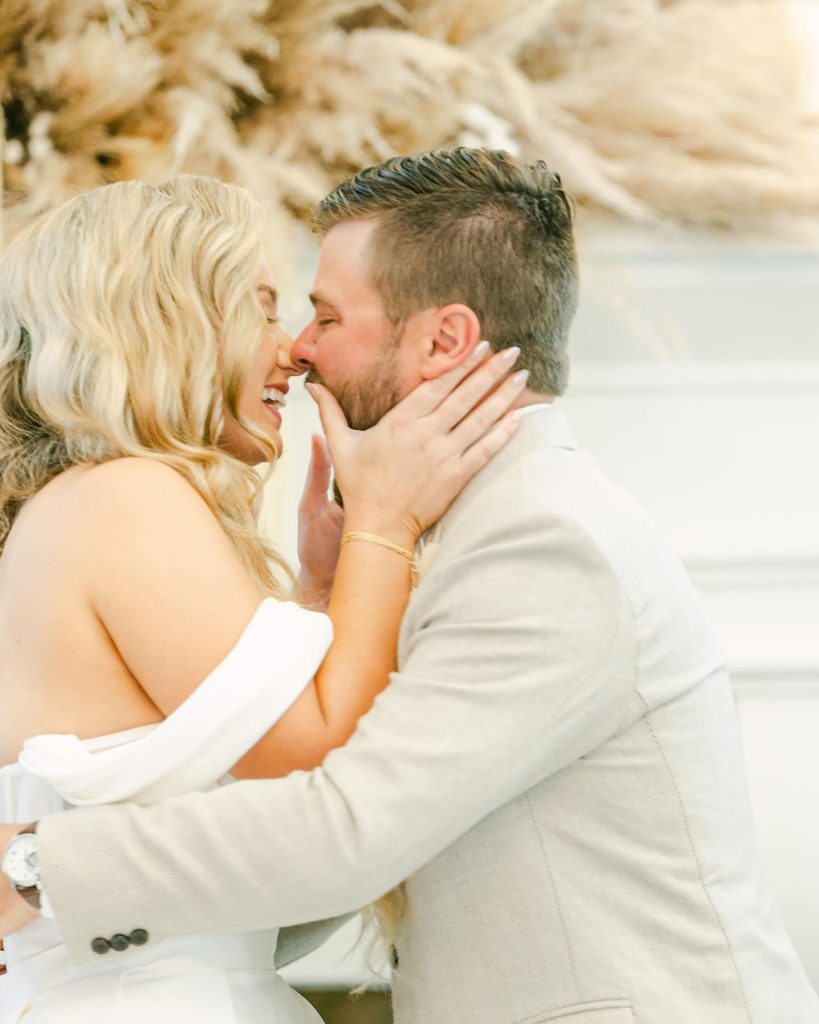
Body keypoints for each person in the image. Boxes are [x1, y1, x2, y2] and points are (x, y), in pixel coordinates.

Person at [3, 148, 819, 1024]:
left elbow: (343, 832)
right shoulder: (436, 526)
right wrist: (345, 571)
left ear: (442, 342)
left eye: (320, 314)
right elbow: (332, 835)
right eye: (274, 309)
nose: (302, 351)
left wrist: (35, 870)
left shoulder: (541, 539)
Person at [0, 172, 525, 1022]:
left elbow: (260, 824)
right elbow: (327, 773)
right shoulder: (124, 496)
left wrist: (322, 592)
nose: (292, 348)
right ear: (167, 320)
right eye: (259, 306)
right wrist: (381, 524)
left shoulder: (92, 501)